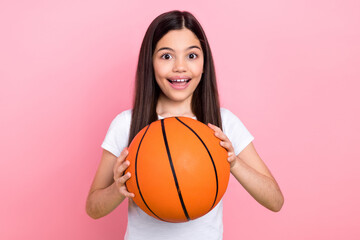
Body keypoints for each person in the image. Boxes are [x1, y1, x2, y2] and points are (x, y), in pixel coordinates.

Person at [86, 10, 284, 240]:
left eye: (191, 56)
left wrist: (234, 163)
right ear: (150, 62)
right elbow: (93, 207)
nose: (180, 67)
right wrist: (117, 190)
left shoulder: (224, 124)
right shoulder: (126, 125)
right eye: (167, 56)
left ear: (204, 63)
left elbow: (275, 201)